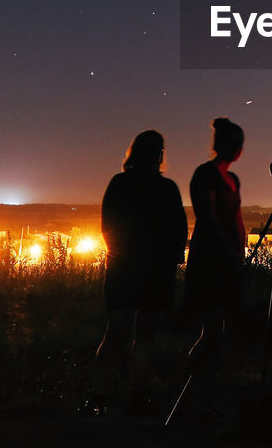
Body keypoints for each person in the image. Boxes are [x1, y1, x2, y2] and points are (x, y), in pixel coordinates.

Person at [81, 129, 188, 416]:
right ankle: (135, 397)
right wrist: (171, 259)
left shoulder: (121, 184)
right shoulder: (167, 189)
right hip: (152, 271)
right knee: (143, 335)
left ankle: (100, 397)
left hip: (126, 270)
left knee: (119, 333)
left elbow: (109, 227)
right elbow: (179, 230)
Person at [180, 117, 247, 416]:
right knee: (211, 327)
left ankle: (204, 386)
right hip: (210, 260)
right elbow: (207, 218)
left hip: (229, 260)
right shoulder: (204, 175)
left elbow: (236, 218)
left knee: (219, 328)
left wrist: (242, 252)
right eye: (236, 144)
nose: (238, 149)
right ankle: (195, 387)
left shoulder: (234, 180)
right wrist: (229, 253)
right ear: (228, 146)